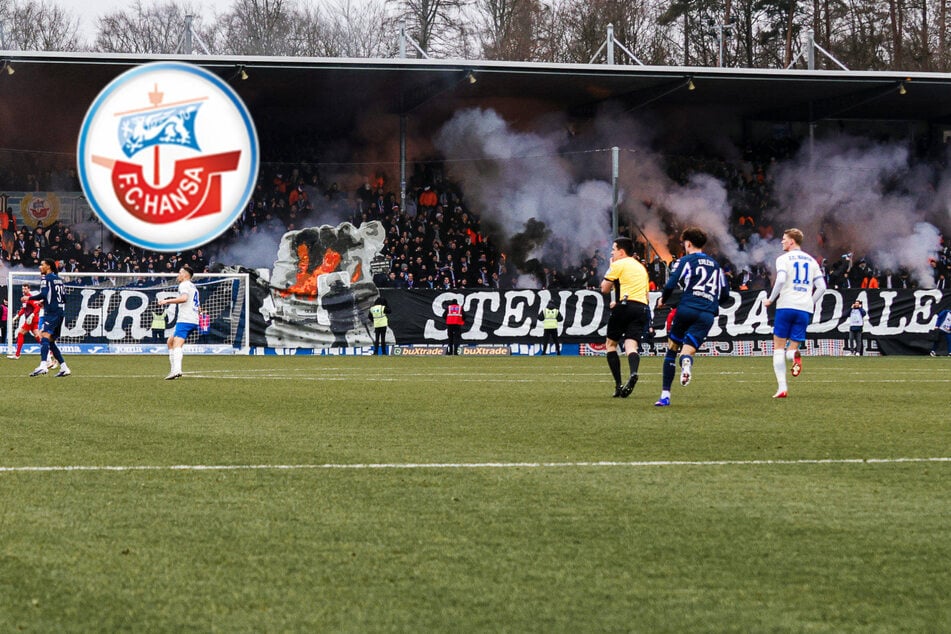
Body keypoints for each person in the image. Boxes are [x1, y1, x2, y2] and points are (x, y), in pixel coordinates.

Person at [653, 227, 729, 407]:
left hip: (687, 308)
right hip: (707, 313)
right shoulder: (716, 266)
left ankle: (665, 395)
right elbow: (725, 294)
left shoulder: (685, 261)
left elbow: (671, 283)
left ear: (688, 243)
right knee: (688, 350)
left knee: (672, 349)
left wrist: (663, 299)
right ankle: (686, 362)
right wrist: (712, 302)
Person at [764, 228, 826, 398]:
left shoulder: (783, 259)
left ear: (792, 241)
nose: (782, 242)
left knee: (778, 348)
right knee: (791, 348)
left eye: (784, 239)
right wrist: (809, 302)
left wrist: (770, 299)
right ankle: (794, 355)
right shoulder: (812, 261)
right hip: (804, 309)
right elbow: (822, 287)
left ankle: (782, 388)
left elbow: (781, 279)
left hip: (786, 306)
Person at [600, 236, 650, 398]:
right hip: (641, 307)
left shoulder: (618, 264)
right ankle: (634, 372)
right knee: (631, 346)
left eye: (613, 250)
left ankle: (618, 384)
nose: (612, 253)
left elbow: (604, 289)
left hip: (625, 306)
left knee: (611, 344)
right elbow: (646, 295)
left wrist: (610, 268)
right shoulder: (641, 267)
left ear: (621, 252)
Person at [28, 259, 71, 377]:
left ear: (48, 267)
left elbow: (43, 293)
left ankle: (43, 365)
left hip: (52, 313)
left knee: (44, 336)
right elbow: (64, 298)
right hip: (60, 312)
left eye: (42, 265)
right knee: (50, 341)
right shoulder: (59, 280)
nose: (40, 267)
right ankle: (64, 368)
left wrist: (29, 298)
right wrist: (45, 302)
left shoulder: (45, 278)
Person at [158, 265, 199, 380]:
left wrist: (167, 301)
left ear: (185, 275)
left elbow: (184, 298)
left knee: (177, 343)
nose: (178, 275)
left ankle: (177, 370)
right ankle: (174, 370)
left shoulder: (184, 284)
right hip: (190, 318)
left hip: (186, 319)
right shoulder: (193, 286)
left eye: (180, 273)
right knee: (170, 342)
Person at [8, 284, 41, 360]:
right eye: (23, 289)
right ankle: (49, 350)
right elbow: (24, 309)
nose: (24, 290)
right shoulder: (23, 299)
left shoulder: (31, 298)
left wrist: (32, 315)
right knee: (37, 336)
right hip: (31, 320)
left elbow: (37, 307)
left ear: (29, 289)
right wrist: (16, 316)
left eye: (25, 289)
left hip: (31, 320)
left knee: (20, 333)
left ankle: (17, 354)